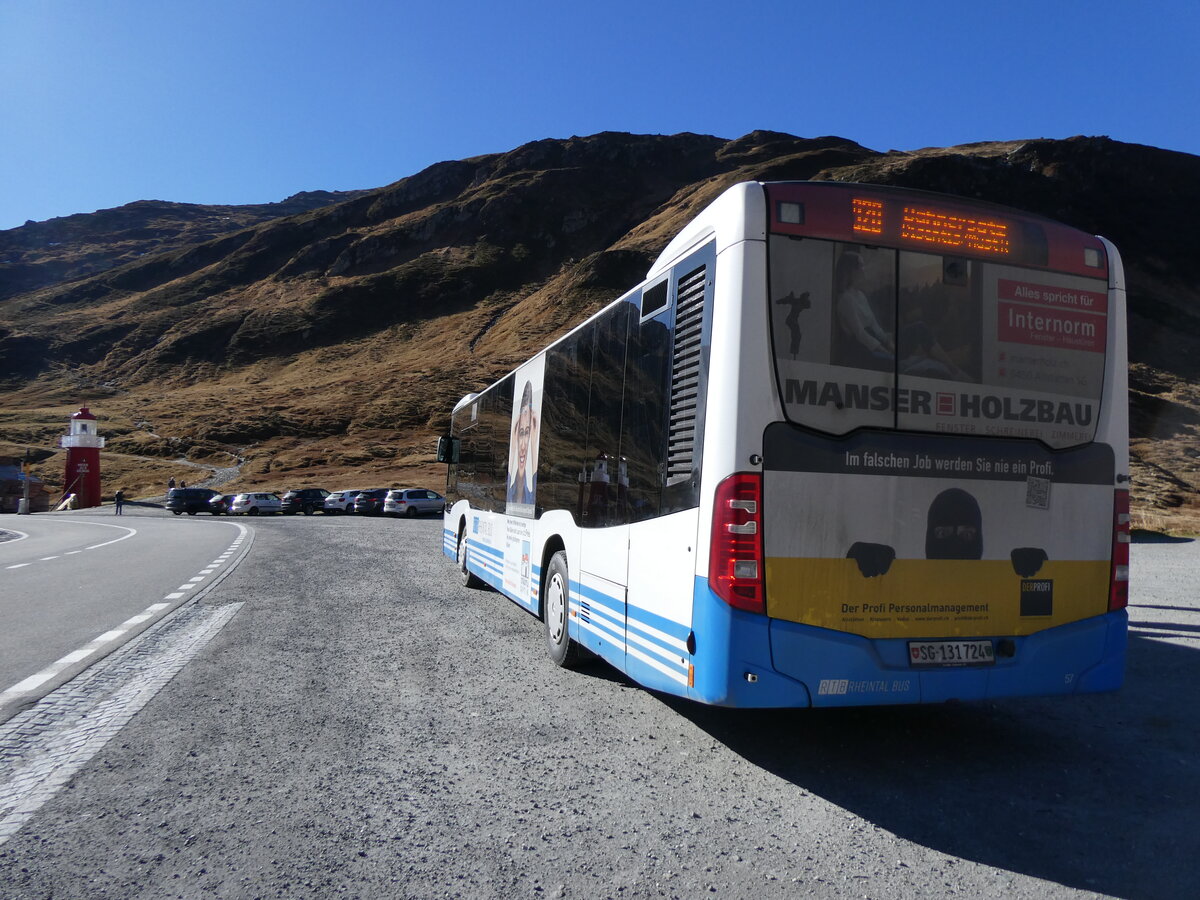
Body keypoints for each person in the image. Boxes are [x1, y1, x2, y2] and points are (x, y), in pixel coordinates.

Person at [835, 252, 893, 370]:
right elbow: (860, 333)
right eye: (860, 266)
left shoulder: (861, 295)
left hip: (876, 342)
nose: (863, 270)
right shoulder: (846, 299)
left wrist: (888, 341)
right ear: (851, 271)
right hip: (862, 350)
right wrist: (884, 350)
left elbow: (874, 324)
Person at [507, 381, 537, 506]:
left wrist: (534, 444)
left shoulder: (533, 489)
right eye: (521, 432)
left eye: (527, 432)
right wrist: (513, 445)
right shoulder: (507, 487)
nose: (523, 446)